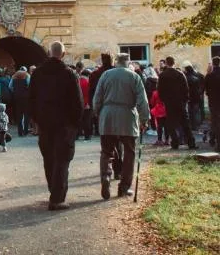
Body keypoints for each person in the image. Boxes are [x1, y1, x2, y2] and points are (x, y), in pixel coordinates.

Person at [28, 41, 83, 211]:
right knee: (62, 159)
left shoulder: (38, 73)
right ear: (63, 54)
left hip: (45, 123)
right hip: (64, 123)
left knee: (49, 158)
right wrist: (76, 124)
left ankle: (54, 191)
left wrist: (36, 120)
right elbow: (77, 102)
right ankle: (57, 198)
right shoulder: (69, 73)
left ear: (49, 53)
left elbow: (31, 99)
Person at [93, 53, 150, 199]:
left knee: (106, 151)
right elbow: (142, 100)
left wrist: (98, 112)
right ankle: (124, 187)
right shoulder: (134, 76)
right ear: (128, 62)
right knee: (129, 152)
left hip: (108, 115)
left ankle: (105, 177)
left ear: (116, 62)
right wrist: (144, 118)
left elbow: (97, 98)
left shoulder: (106, 75)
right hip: (127, 116)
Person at [157, 56, 197, 150]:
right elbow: (185, 88)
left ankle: (175, 143)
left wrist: (164, 100)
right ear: (174, 63)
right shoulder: (180, 74)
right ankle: (191, 143)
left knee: (171, 123)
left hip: (169, 102)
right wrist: (185, 100)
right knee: (185, 123)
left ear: (166, 63)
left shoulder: (162, 75)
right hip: (180, 102)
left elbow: (160, 90)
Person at [205, 56, 220, 150]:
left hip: (213, 101)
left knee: (214, 122)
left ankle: (213, 140)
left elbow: (206, 90)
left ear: (213, 64)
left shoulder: (209, 76)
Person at [10, 67, 31, 136]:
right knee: (26, 115)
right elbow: (29, 85)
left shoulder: (14, 77)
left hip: (17, 98)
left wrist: (15, 92)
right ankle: (25, 131)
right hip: (26, 98)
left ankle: (20, 132)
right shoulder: (27, 76)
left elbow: (10, 86)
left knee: (19, 115)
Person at [184, 63, 204, 132]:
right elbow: (199, 89)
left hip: (188, 97)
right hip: (196, 97)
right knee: (195, 112)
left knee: (189, 112)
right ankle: (196, 126)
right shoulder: (196, 78)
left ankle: (190, 126)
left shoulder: (185, 78)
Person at [78, 69, 92, 140]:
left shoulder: (78, 81)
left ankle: (77, 134)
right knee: (87, 120)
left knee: (79, 120)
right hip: (86, 104)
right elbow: (87, 94)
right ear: (88, 75)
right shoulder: (87, 82)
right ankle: (87, 135)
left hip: (79, 104)